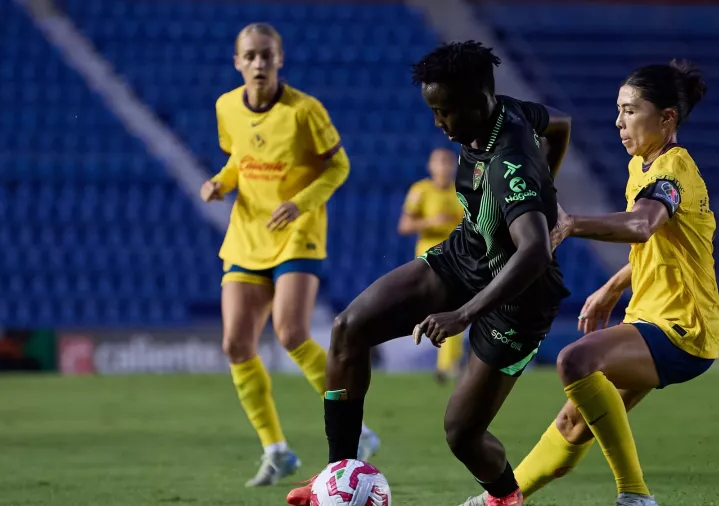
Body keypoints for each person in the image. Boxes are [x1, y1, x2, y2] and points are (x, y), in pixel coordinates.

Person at [286, 40, 573, 506]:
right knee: (348, 330)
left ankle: (505, 497)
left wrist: (462, 316)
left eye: (445, 112)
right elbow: (560, 122)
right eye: (433, 110)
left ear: (479, 100)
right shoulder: (505, 110)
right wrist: (550, 185)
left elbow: (535, 252)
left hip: (519, 299)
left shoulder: (510, 163)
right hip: (466, 256)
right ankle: (336, 476)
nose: (438, 123)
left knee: (462, 434)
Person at [459, 60, 718, 506]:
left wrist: (573, 222)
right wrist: (615, 284)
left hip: (681, 327)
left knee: (576, 361)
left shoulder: (673, 172)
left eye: (631, 111)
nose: (619, 122)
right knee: (572, 425)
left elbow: (640, 227)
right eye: (618, 110)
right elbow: (666, 248)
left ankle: (635, 496)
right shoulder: (643, 166)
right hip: (651, 315)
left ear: (666, 117)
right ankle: (497, 501)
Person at [199, 22, 379, 488]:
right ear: (237, 62)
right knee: (236, 344)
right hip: (247, 236)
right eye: (251, 56)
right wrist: (222, 181)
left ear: (280, 60)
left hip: (298, 232)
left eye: (267, 55)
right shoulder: (225, 107)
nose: (259, 63)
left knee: (291, 332)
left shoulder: (305, 111)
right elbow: (238, 159)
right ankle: (276, 450)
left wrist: (299, 202)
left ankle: (354, 430)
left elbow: (339, 165)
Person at [398, 148, 466, 383]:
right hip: (429, 258)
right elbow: (405, 224)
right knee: (442, 306)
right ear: (431, 166)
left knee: (454, 305)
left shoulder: (461, 190)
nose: (444, 167)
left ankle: (448, 364)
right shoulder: (421, 190)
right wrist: (431, 221)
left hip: (457, 257)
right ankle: (450, 361)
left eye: (448, 163)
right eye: (439, 162)